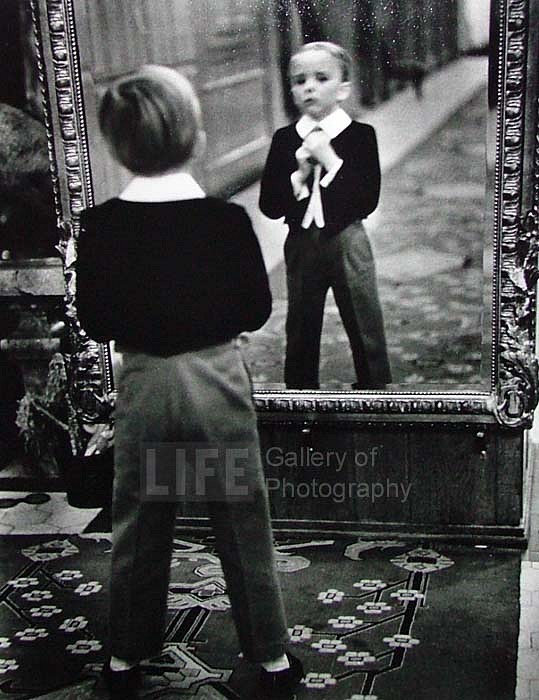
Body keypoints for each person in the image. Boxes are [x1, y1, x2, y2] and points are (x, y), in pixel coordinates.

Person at [75, 65, 303, 700]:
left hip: (146, 387)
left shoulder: (100, 226)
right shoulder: (224, 221)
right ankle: (271, 657)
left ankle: (124, 660)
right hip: (215, 386)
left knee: (142, 521)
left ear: (116, 146)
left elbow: (95, 319)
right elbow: (255, 310)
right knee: (239, 518)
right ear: (197, 138)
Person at [259, 41, 391, 390]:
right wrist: (298, 177)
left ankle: (377, 394)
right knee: (300, 327)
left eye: (321, 78)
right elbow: (269, 206)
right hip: (301, 244)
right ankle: (301, 398)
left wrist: (332, 161)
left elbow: (367, 200)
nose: (309, 87)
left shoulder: (362, 136)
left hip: (349, 241)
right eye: (299, 81)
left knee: (365, 323)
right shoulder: (285, 140)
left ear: (343, 88)